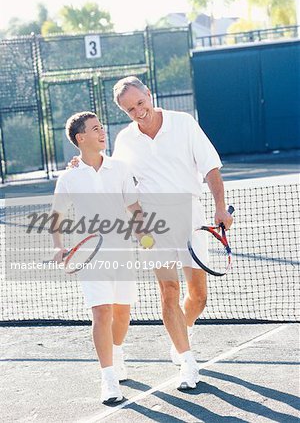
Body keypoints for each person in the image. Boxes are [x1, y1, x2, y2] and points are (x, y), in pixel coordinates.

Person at [69, 77, 233, 391]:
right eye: (130, 110)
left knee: (198, 296)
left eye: (140, 103)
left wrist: (221, 208)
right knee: (169, 290)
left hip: (190, 216)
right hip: (152, 224)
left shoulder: (183, 124)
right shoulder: (126, 139)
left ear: (149, 94)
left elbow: (211, 167)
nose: (138, 112)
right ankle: (187, 361)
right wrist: (82, 162)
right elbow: (112, 173)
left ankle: (181, 332)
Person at [51, 111, 147, 404]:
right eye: (95, 129)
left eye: (102, 127)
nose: (102, 132)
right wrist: (59, 246)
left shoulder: (119, 168)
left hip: (123, 252)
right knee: (101, 313)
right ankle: (107, 380)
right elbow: (56, 215)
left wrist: (145, 234)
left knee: (122, 313)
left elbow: (135, 207)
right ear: (81, 138)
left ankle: (117, 352)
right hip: (90, 255)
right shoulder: (69, 176)